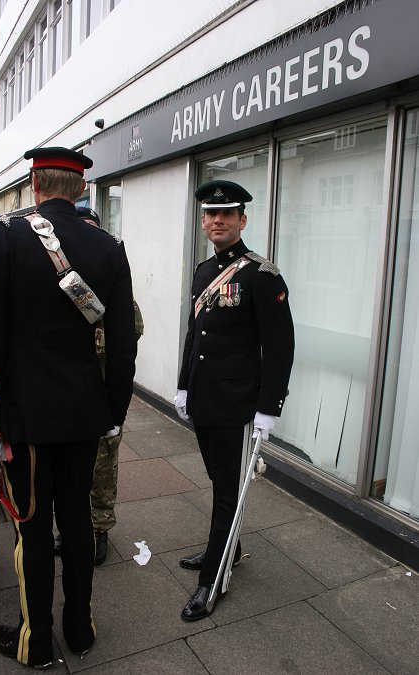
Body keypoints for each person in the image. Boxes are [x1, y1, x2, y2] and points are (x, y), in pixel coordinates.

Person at [0, 147, 137, 668]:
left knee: (33, 527)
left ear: (35, 185)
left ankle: (35, 640)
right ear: (82, 188)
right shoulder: (109, 247)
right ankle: (80, 630)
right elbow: (124, 341)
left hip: (27, 417)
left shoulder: (8, 234)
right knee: (80, 524)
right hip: (86, 413)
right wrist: (111, 410)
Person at [175, 179, 294, 621]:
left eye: (228, 213)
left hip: (238, 403)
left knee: (228, 490)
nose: (218, 220)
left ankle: (213, 579)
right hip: (205, 398)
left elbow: (280, 347)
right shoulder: (204, 272)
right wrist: (184, 385)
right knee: (219, 479)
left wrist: (269, 408)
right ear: (203, 220)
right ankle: (230, 545)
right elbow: (195, 336)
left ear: (243, 220)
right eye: (211, 213)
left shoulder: (262, 275)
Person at [54, 206, 144, 566]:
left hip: (104, 388)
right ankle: (71, 527)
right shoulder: (63, 280)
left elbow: (132, 329)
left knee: (103, 465)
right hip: (68, 389)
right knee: (69, 467)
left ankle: (100, 529)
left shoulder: (111, 277)